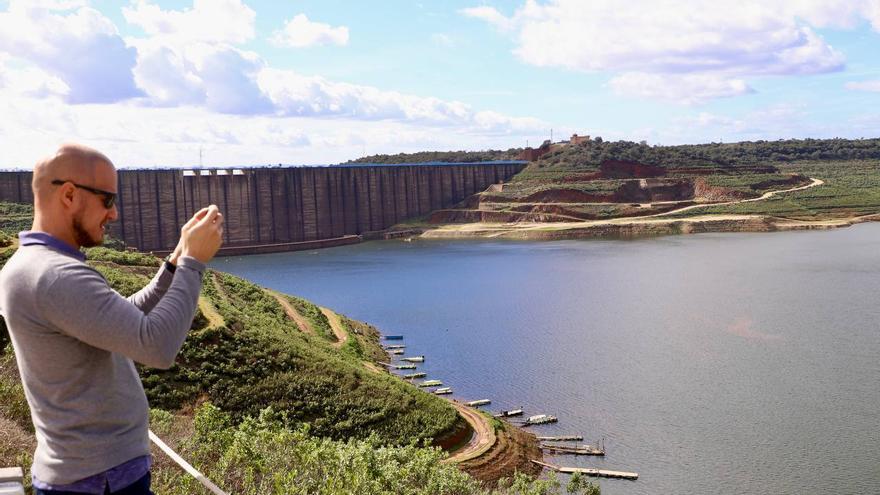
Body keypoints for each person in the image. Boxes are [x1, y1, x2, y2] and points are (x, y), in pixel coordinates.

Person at [0, 144, 224, 495]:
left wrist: (174, 261)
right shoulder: (56, 276)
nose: (115, 214)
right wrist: (194, 262)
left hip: (93, 476)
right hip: (98, 482)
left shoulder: (35, 266)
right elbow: (157, 345)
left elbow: (120, 318)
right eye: (107, 200)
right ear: (70, 194)